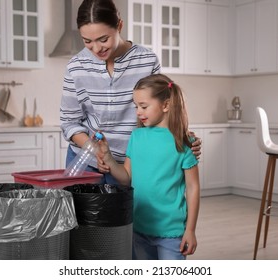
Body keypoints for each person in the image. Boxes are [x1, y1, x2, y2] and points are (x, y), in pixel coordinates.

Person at [60, 0, 201, 184]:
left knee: (125, 213)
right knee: (82, 213)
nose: (96, 48)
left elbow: (159, 112)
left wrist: (181, 136)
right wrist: (97, 152)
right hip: (86, 163)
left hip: (132, 164)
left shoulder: (147, 60)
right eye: (87, 41)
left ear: (119, 25)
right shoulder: (75, 66)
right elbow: (69, 122)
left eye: (103, 39)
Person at [96, 73, 200, 260]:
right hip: (139, 227)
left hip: (171, 232)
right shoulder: (137, 137)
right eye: (136, 106)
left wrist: (190, 230)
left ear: (166, 105)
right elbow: (127, 177)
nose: (138, 112)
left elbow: (193, 188)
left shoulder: (183, 142)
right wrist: (109, 158)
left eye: (143, 106)